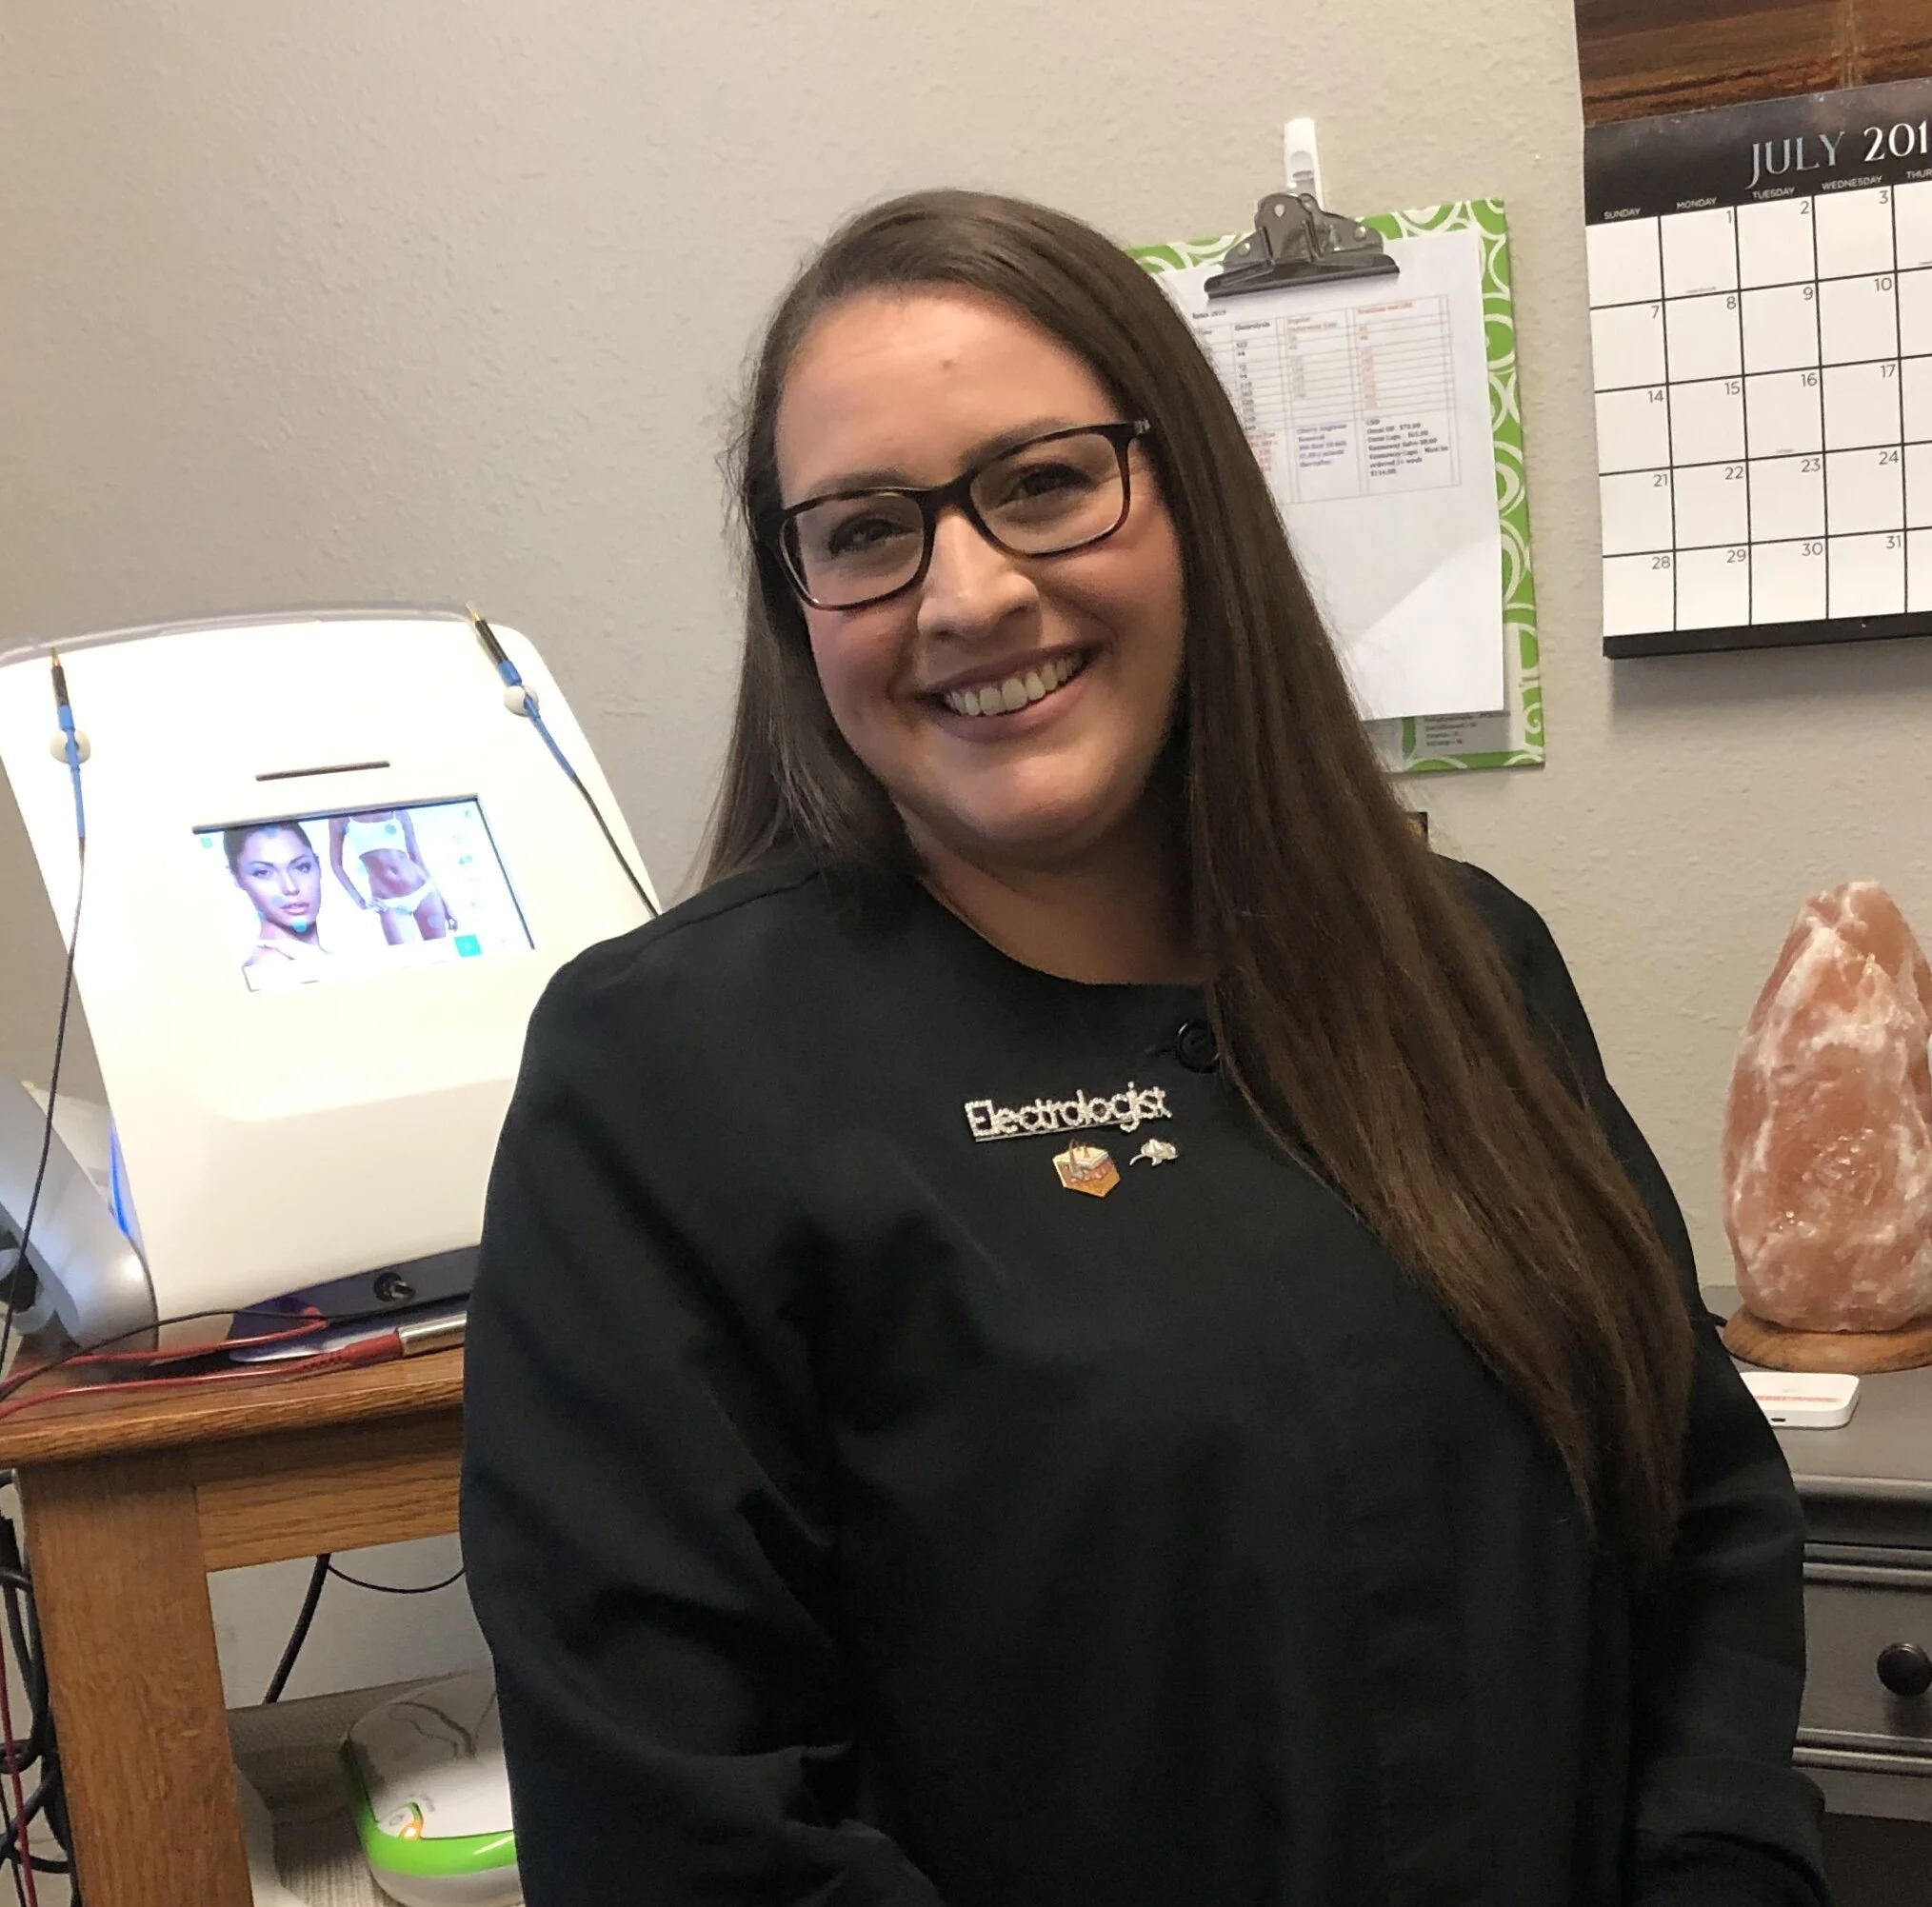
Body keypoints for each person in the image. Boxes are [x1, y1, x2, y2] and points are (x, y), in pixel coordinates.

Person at [460, 190, 1829, 1906]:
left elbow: (1695, 1506)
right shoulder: (669, 1075)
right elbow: (677, 1823)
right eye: (864, 531)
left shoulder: (1461, 963)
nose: (963, 591)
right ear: (795, 598)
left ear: (1190, 500)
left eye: (1039, 481)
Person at [225, 819, 330, 983]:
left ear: (318, 865)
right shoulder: (268, 973)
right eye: (263, 873)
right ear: (236, 878)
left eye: (302, 867)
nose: (290, 887)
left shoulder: (331, 965)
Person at [329, 808, 453, 944]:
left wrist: (444, 903)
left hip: (424, 892)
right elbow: (336, 865)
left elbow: (417, 859)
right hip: (388, 903)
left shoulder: (398, 811)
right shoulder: (341, 818)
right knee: (405, 960)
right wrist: (360, 900)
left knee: (440, 953)